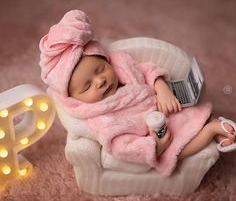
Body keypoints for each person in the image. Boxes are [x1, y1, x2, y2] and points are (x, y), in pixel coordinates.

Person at [39, 10, 236, 176]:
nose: (100, 81)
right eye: (86, 86)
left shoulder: (123, 68)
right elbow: (122, 146)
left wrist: (162, 89)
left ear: (106, 60)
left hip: (165, 108)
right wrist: (156, 145)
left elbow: (147, 70)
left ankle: (218, 130)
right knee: (175, 152)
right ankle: (212, 130)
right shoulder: (101, 119)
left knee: (196, 110)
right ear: (76, 99)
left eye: (100, 70)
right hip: (157, 135)